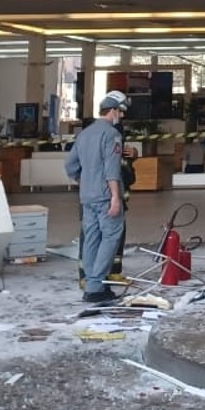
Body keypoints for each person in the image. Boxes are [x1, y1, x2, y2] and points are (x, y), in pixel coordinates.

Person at [65, 91, 128, 303]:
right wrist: (115, 198)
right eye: (121, 111)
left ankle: (92, 286)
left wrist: (84, 181)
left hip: (87, 196)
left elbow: (70, 165)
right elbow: (112, 170)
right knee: (110, 237)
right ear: (113, 111)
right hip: (105, 195)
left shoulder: (84, 134)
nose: (122, 116)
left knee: (91, 238)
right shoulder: (111, 134)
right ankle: (96, 285)